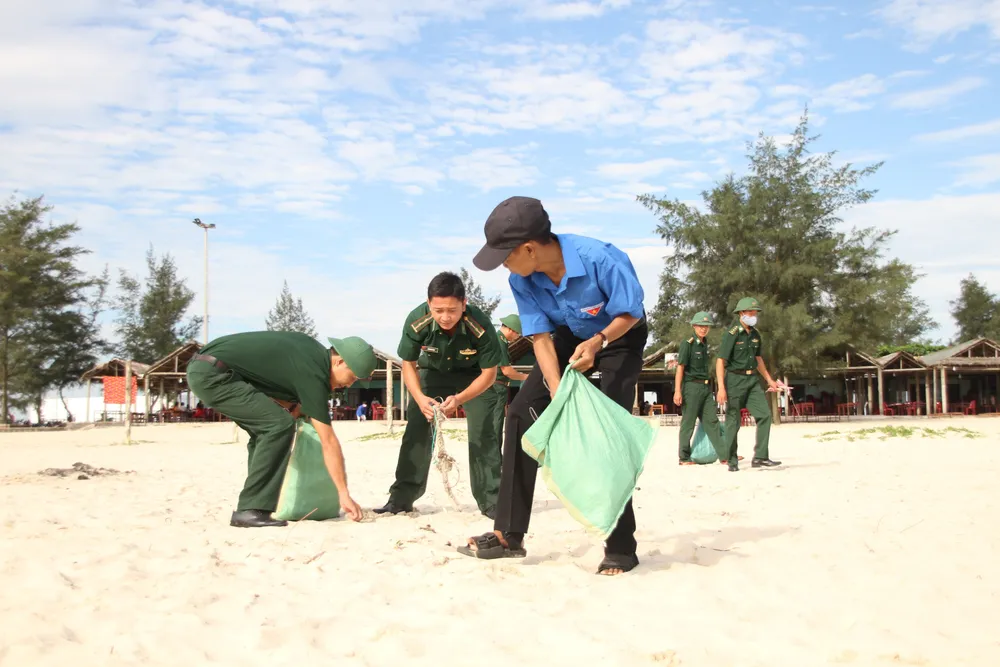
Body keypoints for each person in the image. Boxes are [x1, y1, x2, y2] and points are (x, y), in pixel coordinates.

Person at [459, 195, 648, 576]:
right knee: (520, 415)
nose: (504, 266)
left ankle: (621, 546)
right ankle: (509, 535)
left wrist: (599, 343)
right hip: (565, 336)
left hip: (620, 336)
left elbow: (630, 312)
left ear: (529, 248)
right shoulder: (522, 280)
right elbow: (542, 339)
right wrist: (556, 387)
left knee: (603, 429)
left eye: (505, 256)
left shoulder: (600, 258)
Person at [185, 331, 378, 527]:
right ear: (339, 362)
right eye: (352, 377)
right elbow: (328, 441)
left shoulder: (311, 354)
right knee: (278, 425)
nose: (349, 384)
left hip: (211, 368)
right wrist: (343, 494)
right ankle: (251, 509)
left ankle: (256, 503)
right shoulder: (314, 372)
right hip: (213, 374)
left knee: (268, 429)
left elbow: (281, 393)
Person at [373, 271, 504, 518]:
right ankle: (401, 499)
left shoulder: (480, 325)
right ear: (429, 303)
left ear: (464, 304)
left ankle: (492, 501)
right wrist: (420, 398)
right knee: (416, 431)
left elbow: (489, 374)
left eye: (452, 310)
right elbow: (408, 364)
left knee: (484, 433)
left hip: (474, 376)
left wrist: (461, 399)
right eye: (438, 310)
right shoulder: (417, 320)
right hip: (432, 373)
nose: (445, 317)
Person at [715, 297, 783, 471]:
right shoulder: (732, 334)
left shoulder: (755, 335)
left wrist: (769, 380)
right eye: (750, 312)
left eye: (755, 312)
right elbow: (721, 361)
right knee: (733, 421)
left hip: (752, 380)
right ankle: (732, 460)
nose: (753, 315)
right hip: (735, 380)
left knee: (764, 415)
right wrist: (721, 388)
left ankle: (760, 456)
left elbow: (758, 359)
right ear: (741, 314)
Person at [675, 311, 726, 465]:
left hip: (705, 388)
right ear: (694, 326)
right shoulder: (687, 343)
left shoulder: (704, 344)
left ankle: (724, 455)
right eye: (701, 326)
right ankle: (683, 458)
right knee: (688, 423)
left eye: (706, 326)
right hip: (691, 388)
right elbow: (680, 368)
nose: (703, 329)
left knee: (712, 422)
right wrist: (678, 390)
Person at [491, 314, 530, 452]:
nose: (517, 336)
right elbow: (507, 371)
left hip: (498, 386)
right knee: (496, 423)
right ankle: (496, 458)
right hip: (496, 387)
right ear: (511, 330)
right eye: (517, 333)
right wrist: (526, 377)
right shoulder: (499, 341)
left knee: (497, 423)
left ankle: (496, 456)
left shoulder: (499, 340)